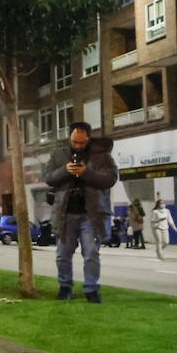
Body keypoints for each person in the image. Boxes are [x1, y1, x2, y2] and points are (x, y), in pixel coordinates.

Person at [44, 122, 118, 303]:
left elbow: (111, 178)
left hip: (91, 213)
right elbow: (48, 177)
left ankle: (91, 289)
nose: (78, 146)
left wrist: (86, 173)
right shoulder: (59, 154)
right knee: (62, 254)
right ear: (70, 137)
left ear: (88, 138)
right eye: (75, 142)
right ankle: (65, 287)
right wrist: (65, 170)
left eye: (82, 142)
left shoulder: (102, 155)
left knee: (91, 253)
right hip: (65, 212)